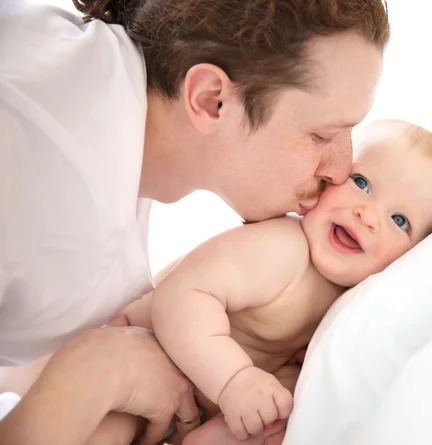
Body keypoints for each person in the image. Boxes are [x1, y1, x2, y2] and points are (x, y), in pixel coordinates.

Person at [0, 0, 390, 443]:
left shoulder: (82, 92)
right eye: (322, 135)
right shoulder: (25, 183)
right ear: (211, 99)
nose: (341, 169)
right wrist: (92, 373)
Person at [68, 119, 432, 445]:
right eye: (362, 183)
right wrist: (234, 381)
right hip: (132, 364)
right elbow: (180, 296)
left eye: (400, 220)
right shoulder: (283, 248)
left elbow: (279, 378)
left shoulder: (348, 308)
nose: (367, 214)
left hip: (183, 409)